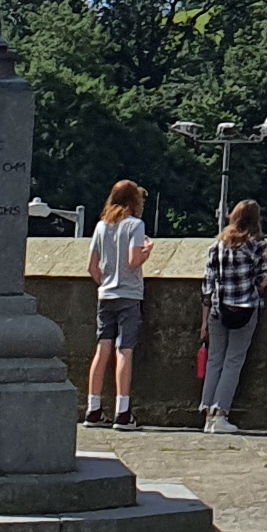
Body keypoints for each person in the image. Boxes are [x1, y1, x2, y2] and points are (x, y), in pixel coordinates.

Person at [202, 198, 267, 431]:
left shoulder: (218, 245)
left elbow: (207, 284)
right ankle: (221, 414)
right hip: (245, 309)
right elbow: (262, 280)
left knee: (214, 360)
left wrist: (204, 319)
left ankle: (208, 414)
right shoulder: (256, 244)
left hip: (218, 310)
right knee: (233, 361)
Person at [85, 180, 152, 427]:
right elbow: (134, 261)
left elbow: (92, 267)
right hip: (129, 294)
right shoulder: (135, 225)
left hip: (106, 295)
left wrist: (105, 282)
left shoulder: (102, 226)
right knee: (124, 349)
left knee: (102, 348)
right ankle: (122, 412)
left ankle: (93, 408)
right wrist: (148, 251)